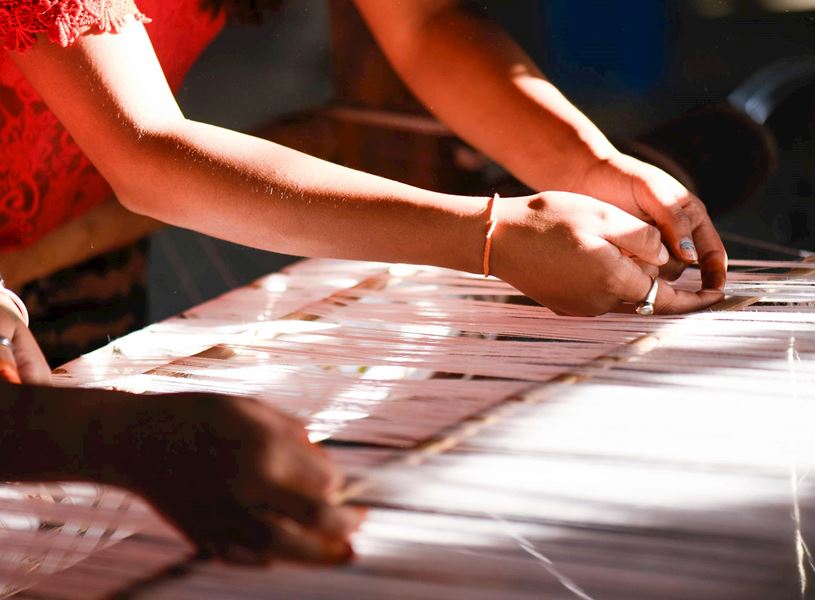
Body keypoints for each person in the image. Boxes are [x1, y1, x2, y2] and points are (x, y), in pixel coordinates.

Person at [0, 0, 728, 565]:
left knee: (76, 543)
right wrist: (492, 233)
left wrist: (588, 167)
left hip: (67, 251)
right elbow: (147, 150)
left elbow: (421, 23)